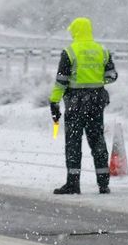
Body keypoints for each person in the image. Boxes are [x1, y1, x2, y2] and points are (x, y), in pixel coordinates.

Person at [49, 17, 117, 195]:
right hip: (96, 101)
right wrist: (94, 81)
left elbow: (61, 82)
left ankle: (73, 183)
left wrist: (54, 101)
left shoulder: (70, 51)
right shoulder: (102, 50)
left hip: (75, 103)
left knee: (73, 142)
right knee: (97, 141)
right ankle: (103, 183)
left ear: (75, 31)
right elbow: (112, 76)